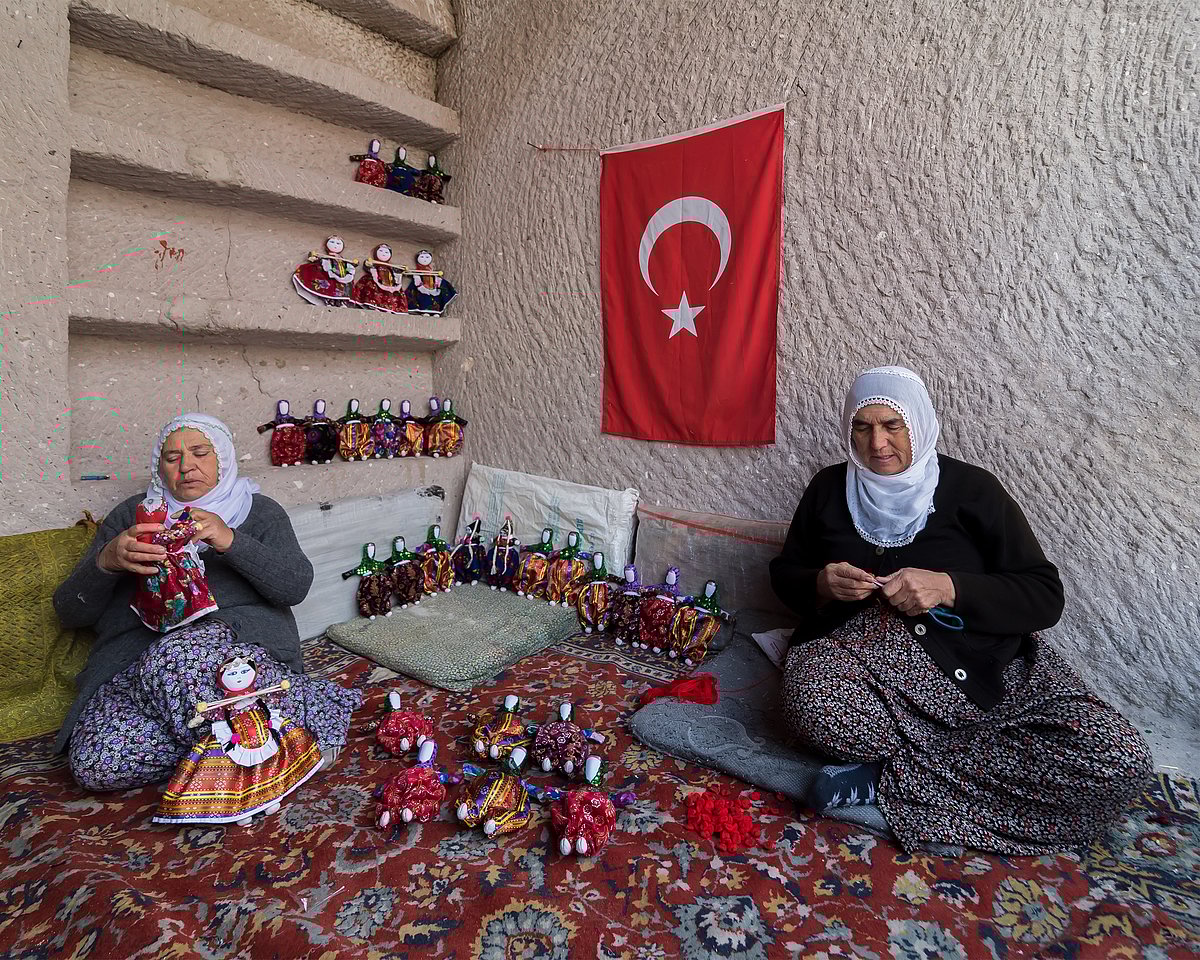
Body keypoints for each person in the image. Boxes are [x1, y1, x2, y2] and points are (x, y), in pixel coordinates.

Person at [769, 366, 1151, 855]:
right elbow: (785, 575)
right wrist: (820, 583)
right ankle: (963, 772)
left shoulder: (973, 491)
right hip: (862, 672)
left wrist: (949, 588)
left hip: (983, 670)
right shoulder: (828, 488)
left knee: (1119, 760)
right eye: (862, 428)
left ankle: (884, 779)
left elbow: (1043, 595)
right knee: (813, 706)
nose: (877, 443)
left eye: (892, 425)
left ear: (919, 423)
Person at [53, 413, 361, 792]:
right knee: (96, 763)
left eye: (201, 453)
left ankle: (241, 741)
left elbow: (294, 587)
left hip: (237, 655)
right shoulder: (131, 518)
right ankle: (278, 730)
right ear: (159, 468)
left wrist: (231, 540)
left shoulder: (259, 512)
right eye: (172, 458)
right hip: (138, 665)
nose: (186, 466)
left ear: (223, 459)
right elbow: (70, 612)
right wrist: (106, 561)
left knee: (176, 654)